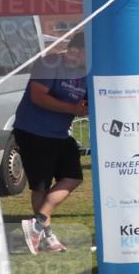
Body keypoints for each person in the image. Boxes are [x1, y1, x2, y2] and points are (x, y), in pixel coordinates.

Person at [14, 34, 88, 254]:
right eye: (84, 53)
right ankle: (47, 236)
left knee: (73, 176)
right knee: (41, 186)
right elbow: (38, 97)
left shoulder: (87, 71)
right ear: (73, 50)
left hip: (60, 134)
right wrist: (73, 109)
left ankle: (37, 223)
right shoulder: (49, 63)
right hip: (32, 131)